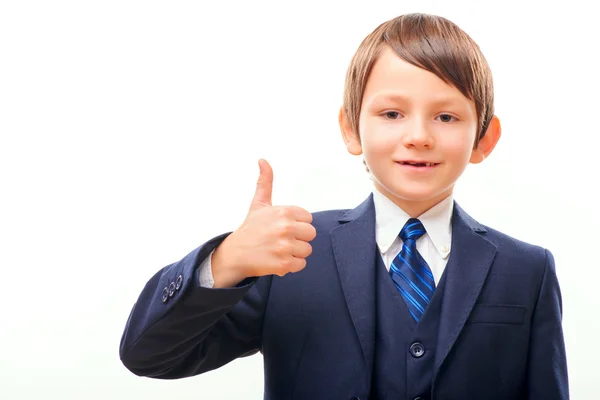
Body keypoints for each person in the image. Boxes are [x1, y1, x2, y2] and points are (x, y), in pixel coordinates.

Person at [119, 12, 569, 399]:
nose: (418, 135)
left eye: (446, 116)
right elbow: (150, 354)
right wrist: (227, 261)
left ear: (483, 140)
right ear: (351, 128)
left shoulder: (527, 270)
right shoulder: (290, 252)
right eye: (391, 114)